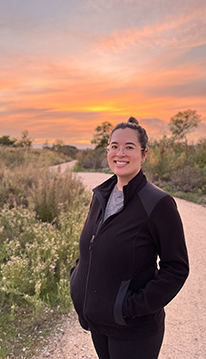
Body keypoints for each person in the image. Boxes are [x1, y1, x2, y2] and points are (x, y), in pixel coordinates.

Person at [70, 117, 189, 359]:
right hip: (99, 323)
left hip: (134, 330)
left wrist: (131, 307)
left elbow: (176, 268)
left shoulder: (158, 203)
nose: (119, 153)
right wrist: (76, 279)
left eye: (129, 147)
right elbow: (92, 246)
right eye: (114, 146)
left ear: (144, 155)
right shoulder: (101, 195)